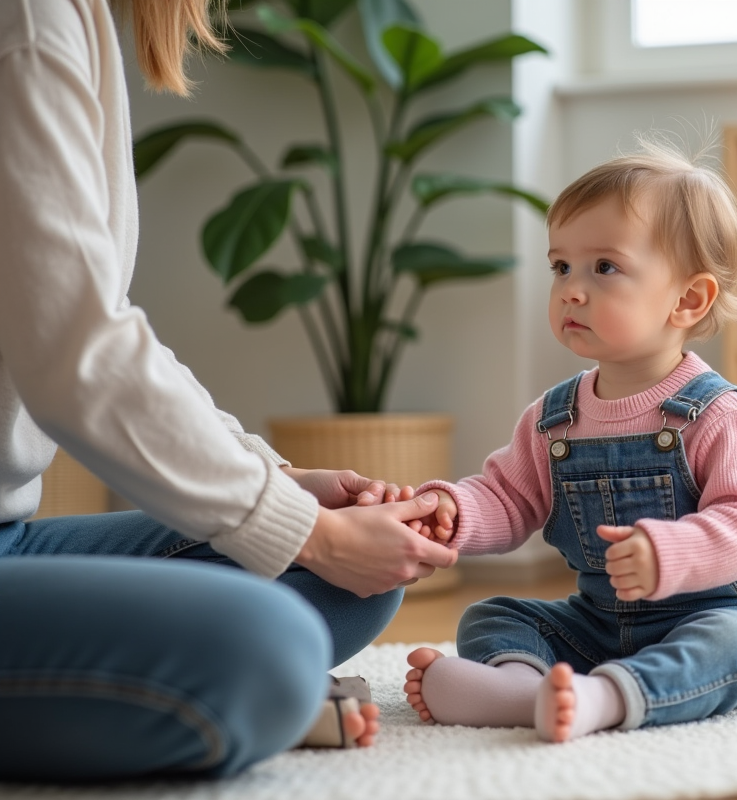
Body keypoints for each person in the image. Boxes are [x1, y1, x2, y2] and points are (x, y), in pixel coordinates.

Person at [0, 0, 457, 781]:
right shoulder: (30, 20)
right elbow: (75, 354)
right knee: (268, 647)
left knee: (346, 584)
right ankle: (249, 695)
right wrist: (308, 532)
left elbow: (99, 325)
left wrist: (283, 488)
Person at [402, 134, 737, 743]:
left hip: (723, 611)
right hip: (598, 624)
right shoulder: (555, 416)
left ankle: (611, 697)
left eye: (604, 267)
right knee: (493, 614)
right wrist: (454, 511)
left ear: (687, 298)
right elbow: (511, 499)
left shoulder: (715, 413)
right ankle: (525, 689)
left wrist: (669, 552)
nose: (570, 287)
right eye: (560, 265)